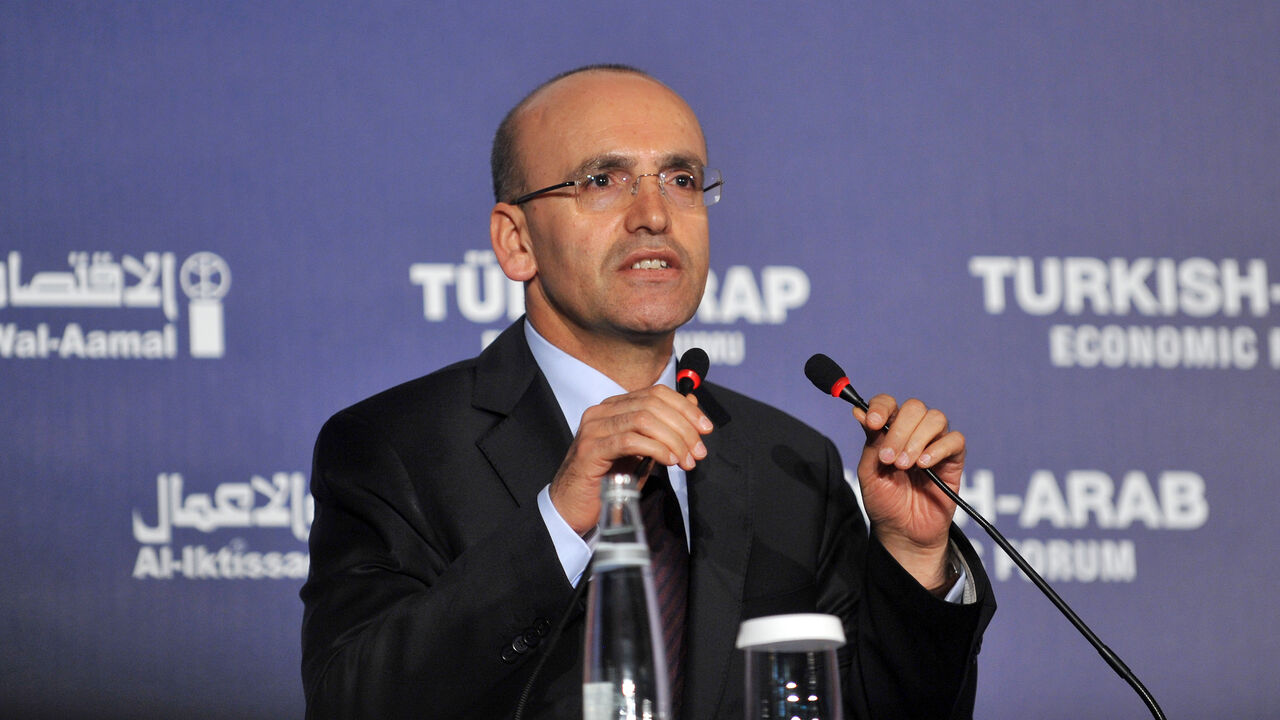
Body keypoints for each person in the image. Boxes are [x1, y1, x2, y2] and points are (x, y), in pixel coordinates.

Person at [300, 64, 996, 720]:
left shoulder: (790, 464)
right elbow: (352, 701)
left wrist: (913, 558)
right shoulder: (396, 447)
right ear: (516, 242)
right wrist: (559, 519)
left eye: (682, 180)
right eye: (603, 179)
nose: (654, 215)